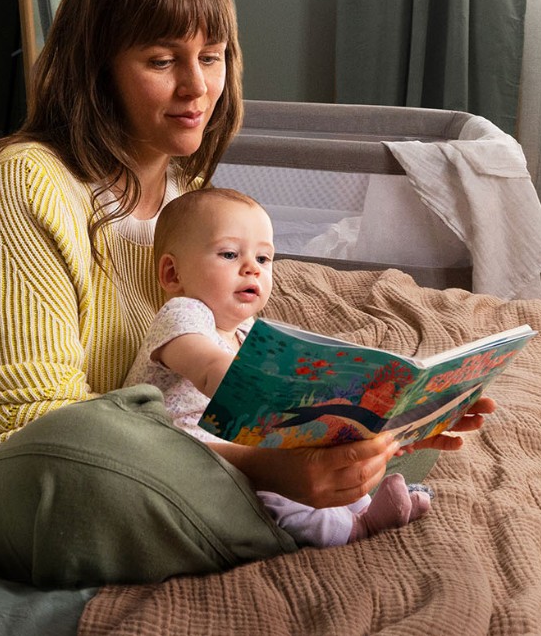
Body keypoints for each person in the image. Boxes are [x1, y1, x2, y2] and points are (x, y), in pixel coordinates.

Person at [0, 0, 493, 588]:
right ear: (96, 67)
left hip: (152, 463)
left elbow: (210, 378)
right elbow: (21, 439)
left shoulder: (187, 204)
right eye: (162, 61)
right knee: (87, 446)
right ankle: (297, 529)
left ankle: (333, 497)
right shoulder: (24, 183)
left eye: (212, 57)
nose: (197, 86)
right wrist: (264, 470)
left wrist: (375, 423)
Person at [125, 188, 433, 547]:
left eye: (264, 258)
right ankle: (354, 529)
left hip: (239, 445)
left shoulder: (248, 331)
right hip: (187, 457)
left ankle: (363, 505)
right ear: (173, 274)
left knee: (326, 451)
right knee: (277, 495)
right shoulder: (182, 314)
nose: (251, 268)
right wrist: (291, 402)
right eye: (229, 254)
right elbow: (210, 370)